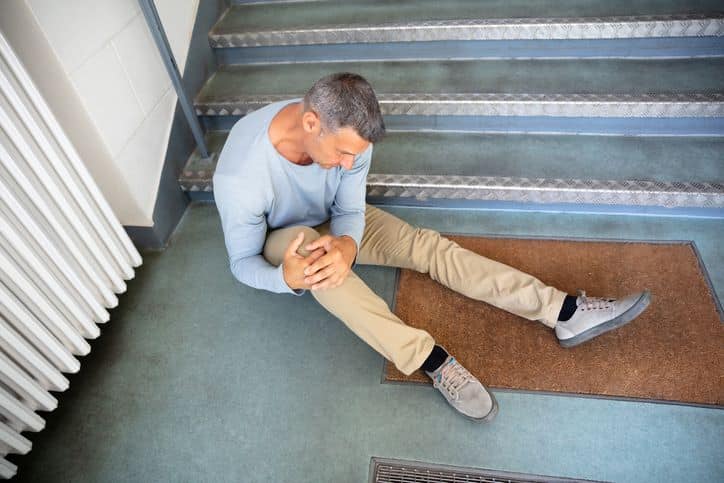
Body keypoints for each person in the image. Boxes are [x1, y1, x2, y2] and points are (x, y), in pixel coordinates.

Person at [213, 72, 651, 422]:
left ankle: (563, 312)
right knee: (317, 265)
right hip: (284, 242)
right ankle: (430, 358)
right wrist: (284, 279)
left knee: (426, 248)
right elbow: (241, 262)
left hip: (330, 222)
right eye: (344, 154)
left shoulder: (352, 142)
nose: (351, 163)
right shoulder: (242, 177)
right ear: (312, 123)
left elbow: (349, 208)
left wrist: (348, 241)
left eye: (356, 155)